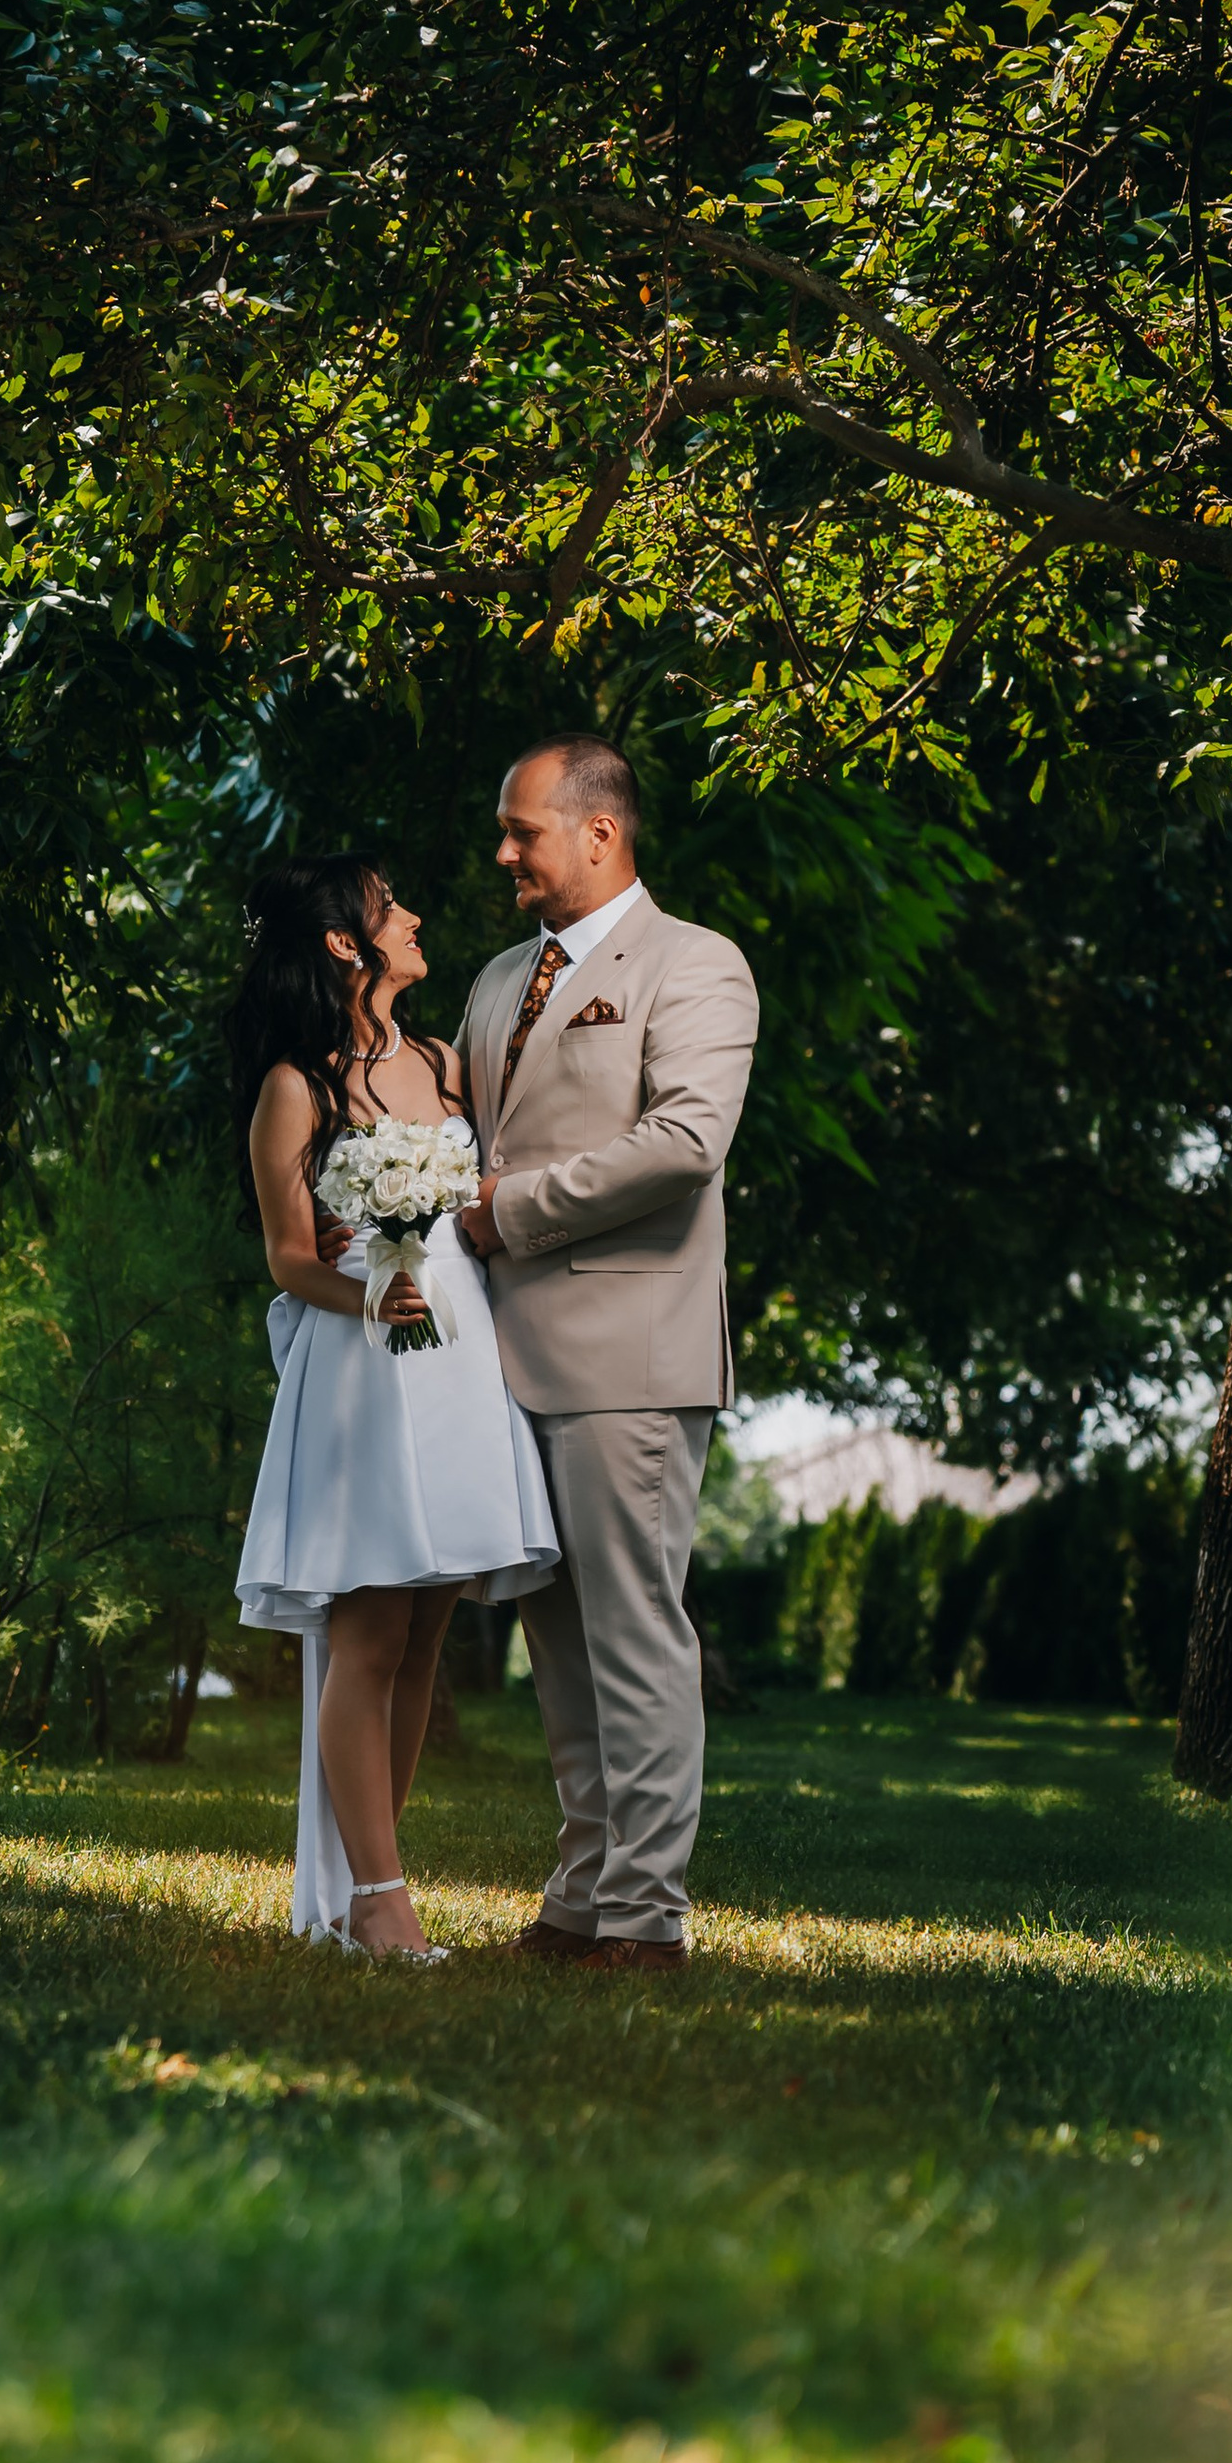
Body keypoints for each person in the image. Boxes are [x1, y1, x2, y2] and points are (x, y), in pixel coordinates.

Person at [454, 740, 761, 1969]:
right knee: (557, 1644)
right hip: (500, 1364)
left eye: (524, 831)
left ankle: (646, 1913)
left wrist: (505, 1210)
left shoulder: (695, 965)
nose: (505, 853)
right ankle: (582, 1893)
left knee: (634, 1634)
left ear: (600, 832)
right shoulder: (490, 982)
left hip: (630, 1356)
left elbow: (684, 1141)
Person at [229, 855, 559, 1960]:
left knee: (426, 1627)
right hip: (366, 1366)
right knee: (368, 1625)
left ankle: (375, 1874)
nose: (414, 916)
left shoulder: (444, 1065)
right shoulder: (298, 1087)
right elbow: (287, 1259)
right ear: (343, 944)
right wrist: (372, 1285)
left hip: (456, 1359)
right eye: (390, 908)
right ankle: (376, 1895)